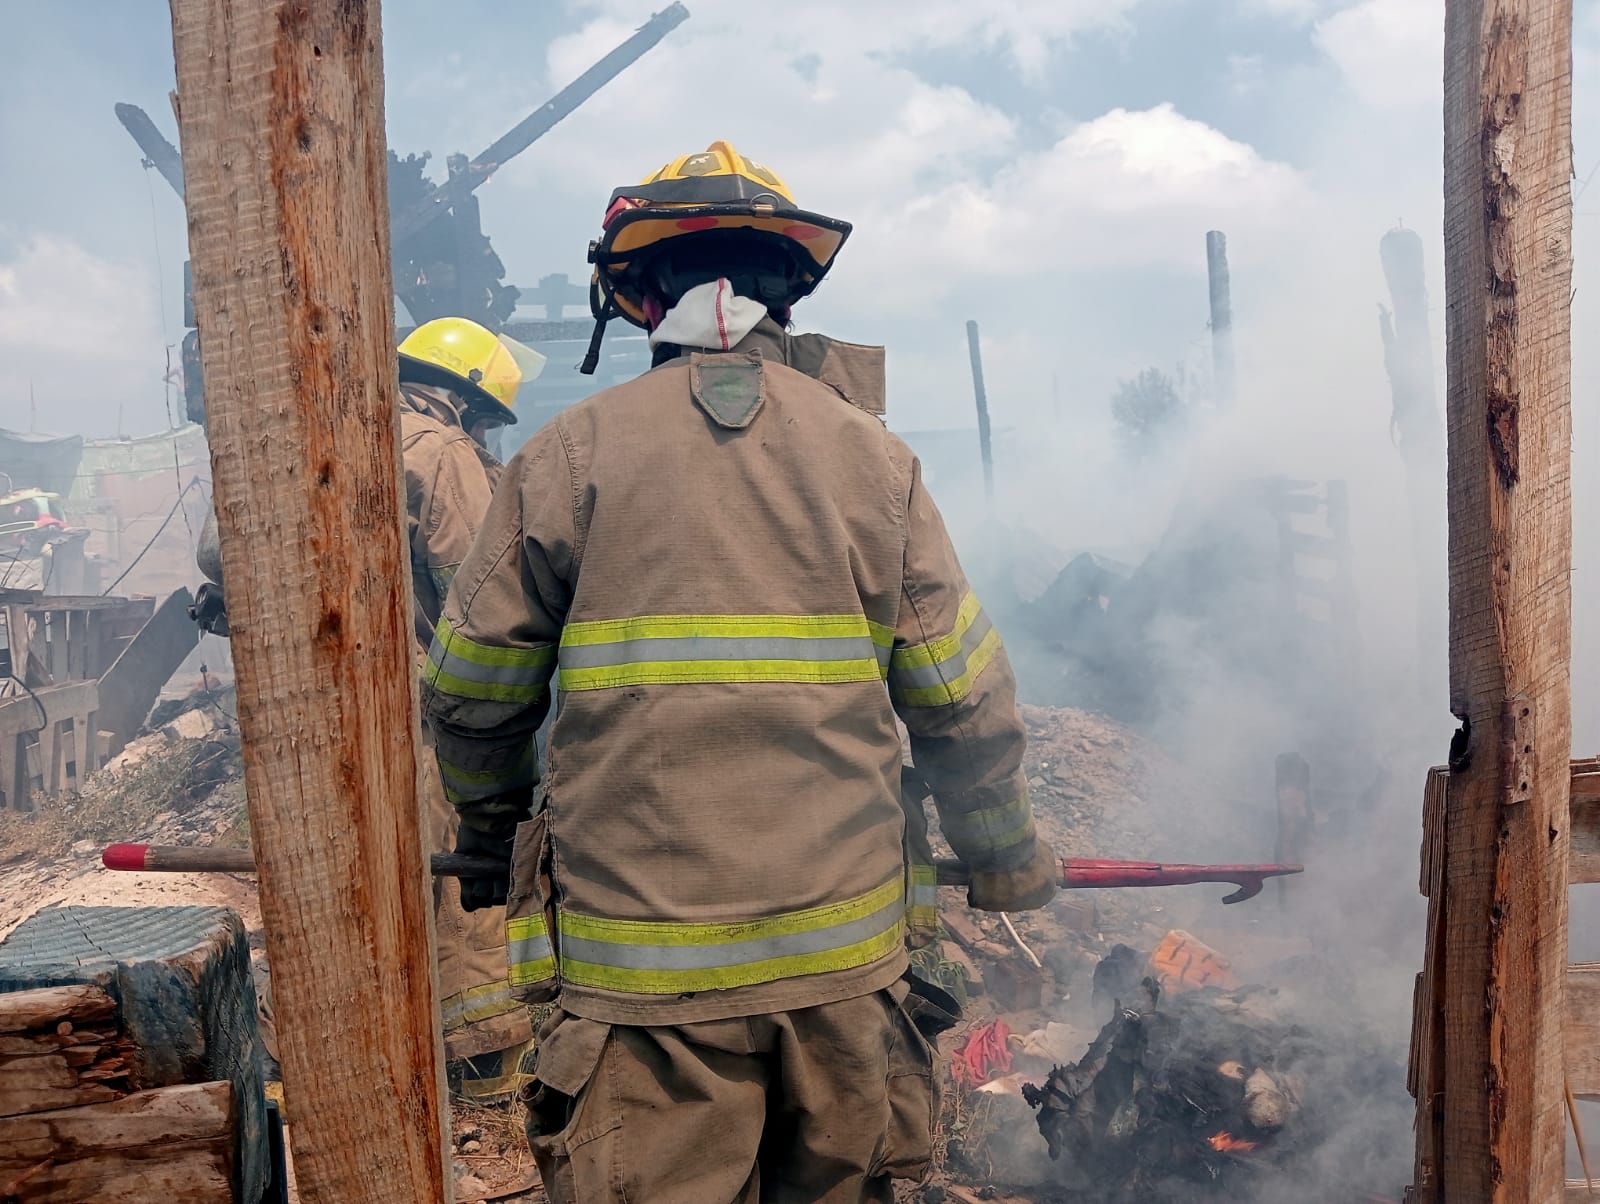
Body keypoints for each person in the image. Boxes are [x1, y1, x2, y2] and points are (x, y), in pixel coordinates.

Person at [420, 141, 1058, 1203]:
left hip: (642, 994)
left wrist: (489, 833)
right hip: (844, 977)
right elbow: (961, 695)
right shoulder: (873, 458)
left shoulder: (568, 456)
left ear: (636, 299)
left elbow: (474, 691)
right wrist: (1004, 855)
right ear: (787, 293)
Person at [195, 316, 547, 1104]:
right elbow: (478, 597)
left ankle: (306, 1055)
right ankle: (481, 1061)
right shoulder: (441, 452)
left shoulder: (310, 431)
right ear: (464, 399)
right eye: (486, 419)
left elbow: (222, 559)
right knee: (456, 872)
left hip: (302, 712)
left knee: (330, 878)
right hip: (410, 711)